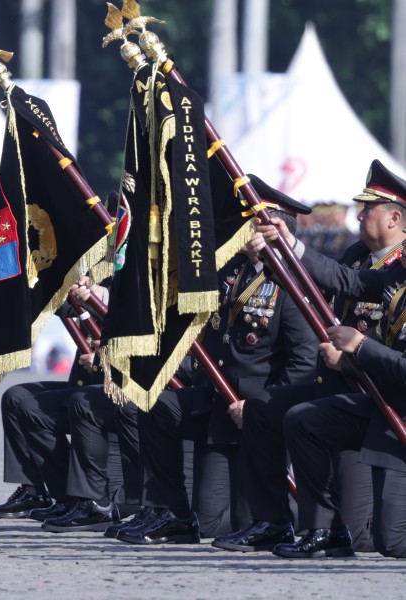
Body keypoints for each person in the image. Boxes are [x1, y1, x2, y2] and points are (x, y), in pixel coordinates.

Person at [213, 160, 406, 554]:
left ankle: (334, 528)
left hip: (384, 396)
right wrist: (289, 243)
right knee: (287, 415)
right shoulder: (386, 269)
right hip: (368, 394)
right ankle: (301, 526)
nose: (361, 214)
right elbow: (348, 282)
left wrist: (359, 350)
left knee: (388, 540)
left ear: (395, 217)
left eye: (370, 207)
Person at [114, 176, 317, 546]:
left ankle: (274, 520)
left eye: (249, 223)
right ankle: (169, 511)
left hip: (254, 410)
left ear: (273, 231)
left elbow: (303, 362)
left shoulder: (293, 285)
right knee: (152, 403)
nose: (239, 229)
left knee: (216, 524)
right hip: (214, 402)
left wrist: (261, 406)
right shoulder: (232, 271)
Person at [0, 277, 141, 532]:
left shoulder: (131, 282)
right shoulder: (108, 276)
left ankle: (87, 501)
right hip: (87, 383)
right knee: (17, 398)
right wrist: (41, 277)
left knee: (72, 404)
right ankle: (43, 492)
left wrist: (104, 359)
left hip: (120, 389)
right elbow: (69, 309)